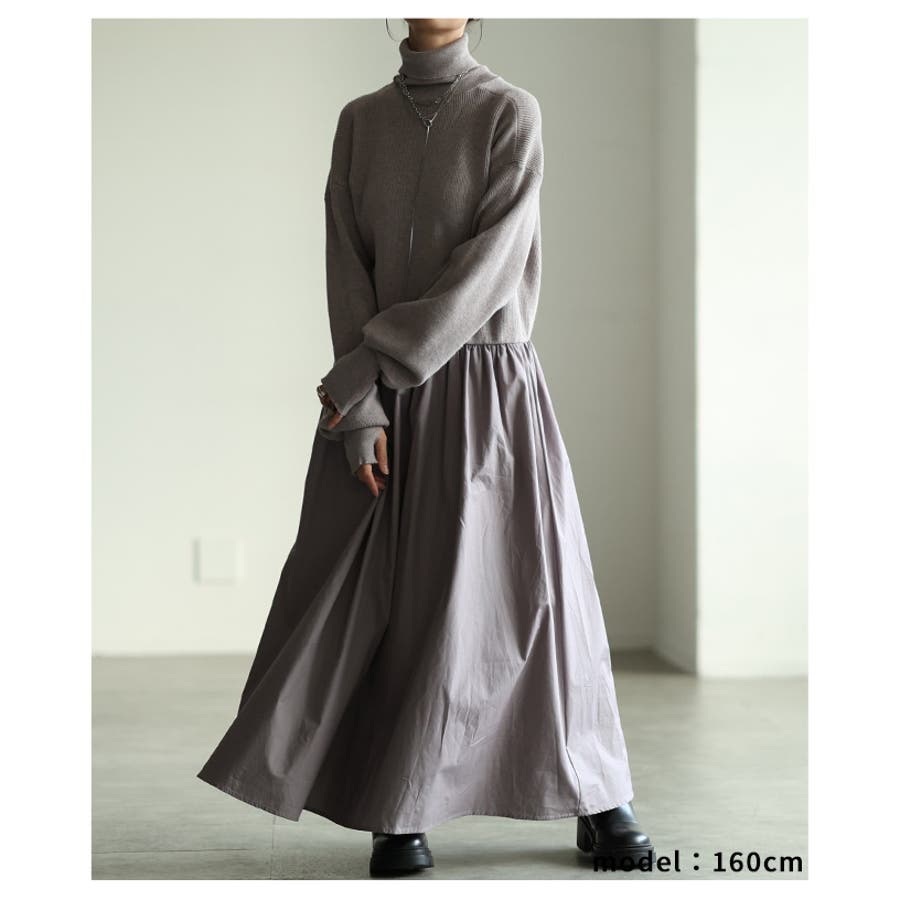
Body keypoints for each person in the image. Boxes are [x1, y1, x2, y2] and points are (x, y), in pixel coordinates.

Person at [197, 18, 654, 877]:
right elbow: (347, 268)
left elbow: (492, 267)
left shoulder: (509, 111)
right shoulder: (360, 121)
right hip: (386, 401)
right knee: (397, 603)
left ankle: (598, 793)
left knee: (536, 601)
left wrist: (365, 366)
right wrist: (362, 408)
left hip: (486, 388)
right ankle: (397, 804)